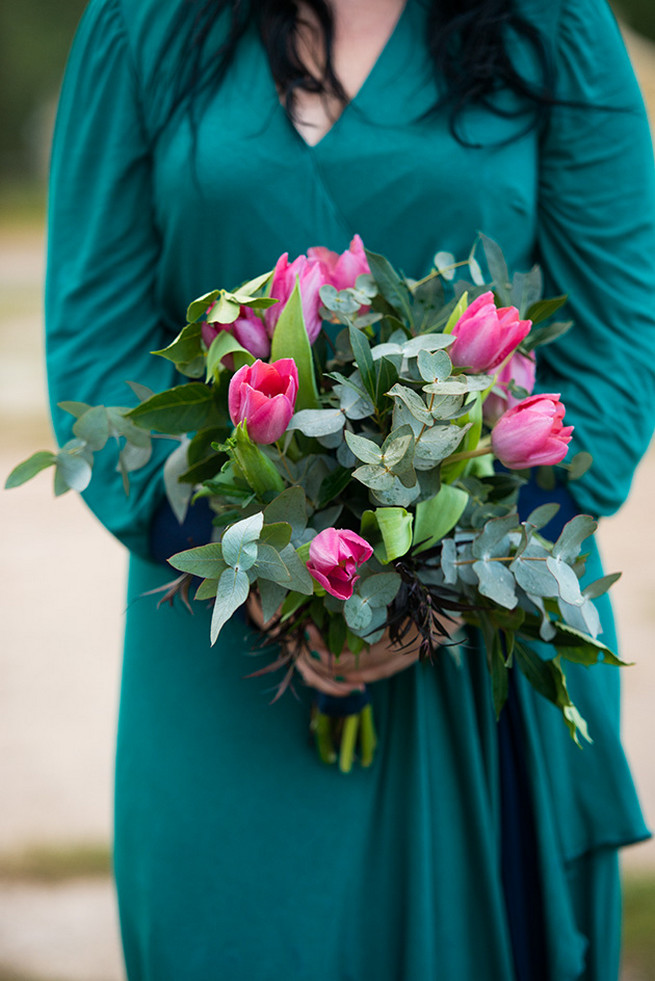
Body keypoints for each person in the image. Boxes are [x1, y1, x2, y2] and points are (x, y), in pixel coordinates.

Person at [46, 0, 655, 977]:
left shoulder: (553, 24)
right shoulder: (141, 26)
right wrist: (272, 573)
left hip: (483, 632)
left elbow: (621, 336)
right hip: (222, 639)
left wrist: (445, 578)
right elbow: (96, 343)